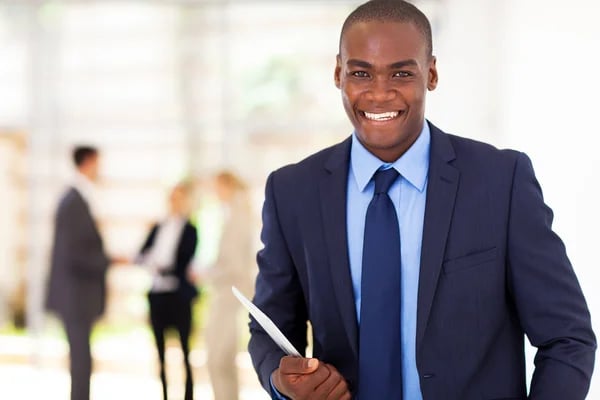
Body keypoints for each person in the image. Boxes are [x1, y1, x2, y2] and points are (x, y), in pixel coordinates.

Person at [248, 1, 596, 399]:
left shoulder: (501, 181)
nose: (379, 93)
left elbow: (567, 339)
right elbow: (269, 328)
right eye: (361, 73)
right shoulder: (293, 191)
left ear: (430, 73)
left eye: (401, 72)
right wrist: (281, 378)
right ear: (338, 74)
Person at [46, 145, 122, 400]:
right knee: (80, 362)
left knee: (82, 360)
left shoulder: (79, 199)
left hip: (78, 295)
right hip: (75, 295)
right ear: (88, 162)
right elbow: (75, 253)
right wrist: (108, 260)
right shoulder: (74, 201)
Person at [135, 181, 199, 400]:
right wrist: (154, 262)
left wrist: (161, 263)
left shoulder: (191, 230)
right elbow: (141, 254)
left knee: (185, 351)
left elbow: (183, 261)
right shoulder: (157, 227)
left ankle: (188, 396)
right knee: (160, 353)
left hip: (179, 296)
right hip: (158, 294)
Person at [204, 171, 255, 400]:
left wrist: (209, 274)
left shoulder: (239, 216)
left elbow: (234, 265)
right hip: (230, 293)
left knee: (218, 358)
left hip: (229, 294)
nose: (215, 193)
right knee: (223, 359)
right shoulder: (238, 214)